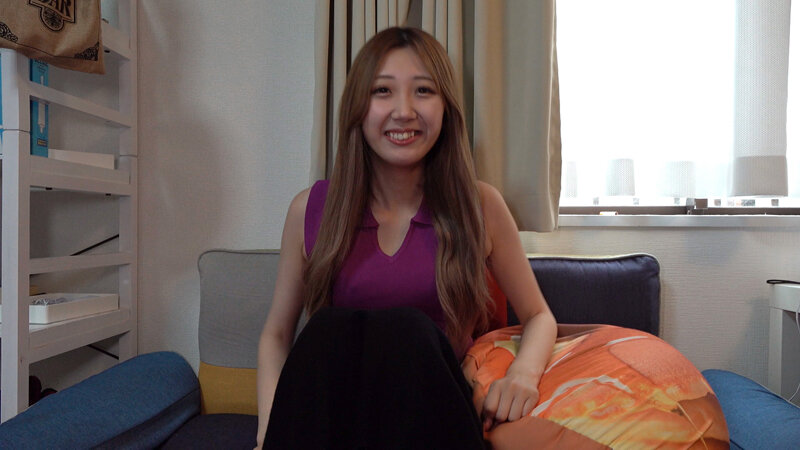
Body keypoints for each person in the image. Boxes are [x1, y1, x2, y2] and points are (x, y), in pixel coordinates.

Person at [255, 26, 557, 449]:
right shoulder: (309, 209)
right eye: (383, 91)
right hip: (335, 420)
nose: (404, 111)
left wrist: (522, 375)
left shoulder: (480, 205)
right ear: (358, 108)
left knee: (408, 330)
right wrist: (267, 435)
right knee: (326, 331)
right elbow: (276, 335)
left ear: (446, 108)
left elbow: (539, 315)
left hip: (430, 420)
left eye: (423, 91)